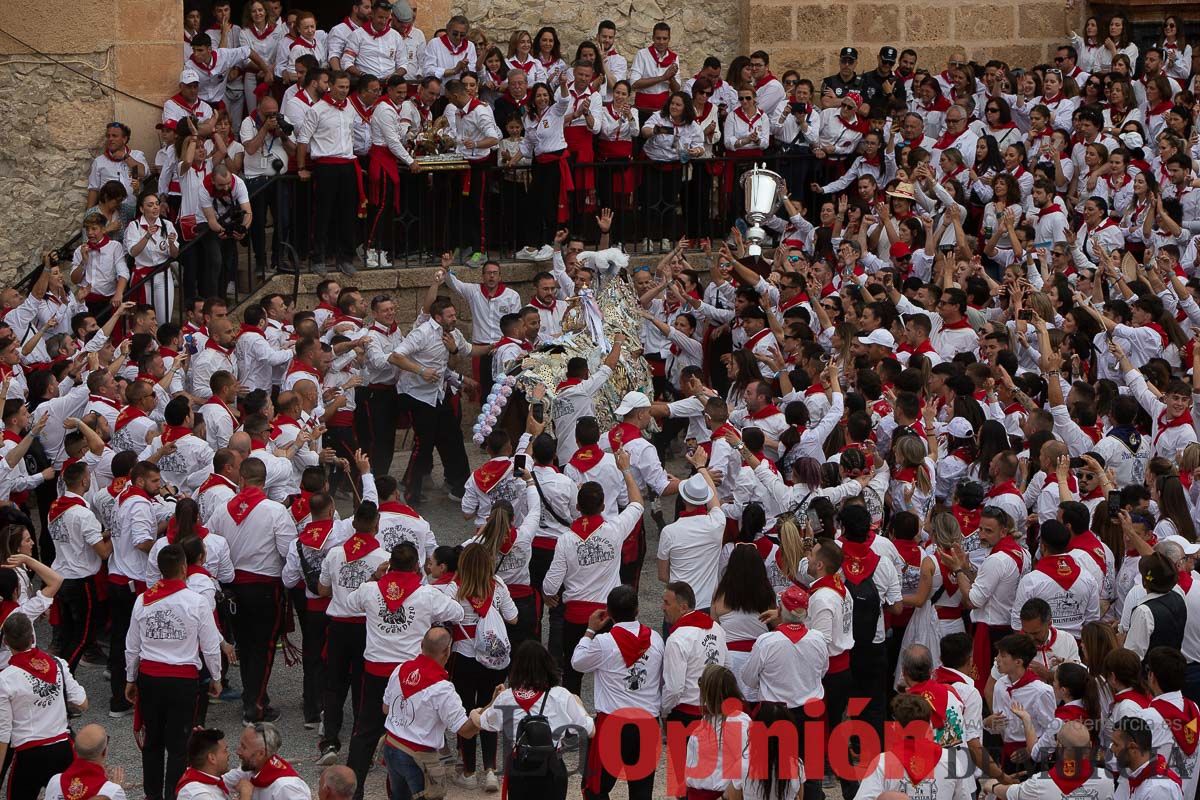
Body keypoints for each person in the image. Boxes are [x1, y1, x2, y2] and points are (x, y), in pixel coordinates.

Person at [125, 544, 223, 800]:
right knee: (179, 746)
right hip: (182, 681)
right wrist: (216, 677)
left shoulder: (143, 599)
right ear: (183, 568)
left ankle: (152, 795)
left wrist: (130, 678)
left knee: (153, 742)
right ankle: (174, 795)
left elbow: (132, 645)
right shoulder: (196, 601)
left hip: (150, 678)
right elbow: (210, 645)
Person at [573, 584, 663, 800]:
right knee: (641, 793)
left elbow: (577, 662)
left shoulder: (603, 643)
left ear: (609, 613)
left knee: (595, 788)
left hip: (613, 725)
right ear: (637, 610)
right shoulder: (657, 640)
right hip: (647, 722)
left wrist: (590, 630)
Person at [381, 627, 479, 800]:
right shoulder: (443, 689)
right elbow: (466, 731)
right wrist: (488, 710)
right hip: (418, 757)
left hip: (392, 746)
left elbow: (386, 708)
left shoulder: (400, 669)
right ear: (447, 652)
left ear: (421, 645)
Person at [0, 613, 86, 800]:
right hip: (62, 749)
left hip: (29, 755)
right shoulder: (58, 664)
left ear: (6, 642)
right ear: (32, 637)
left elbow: (4, 733)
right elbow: (82, 702)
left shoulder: (5, 679)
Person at [295, 70, 362, 277]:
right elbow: (303, 140)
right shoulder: (317, 110)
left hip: (347, 165)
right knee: (323, 214)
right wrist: (300, 168)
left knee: (347, 214)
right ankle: (318, 258)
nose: (344, 91)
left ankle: (345, 257)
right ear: (330, 85)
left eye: (347, 87)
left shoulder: (350, 107)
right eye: (340, 87)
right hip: (326, 166)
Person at [43, 724, 127, 800]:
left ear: (74, 747)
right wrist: (115, 788)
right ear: (104, 752)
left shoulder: (55, 781)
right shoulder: (112, 792)